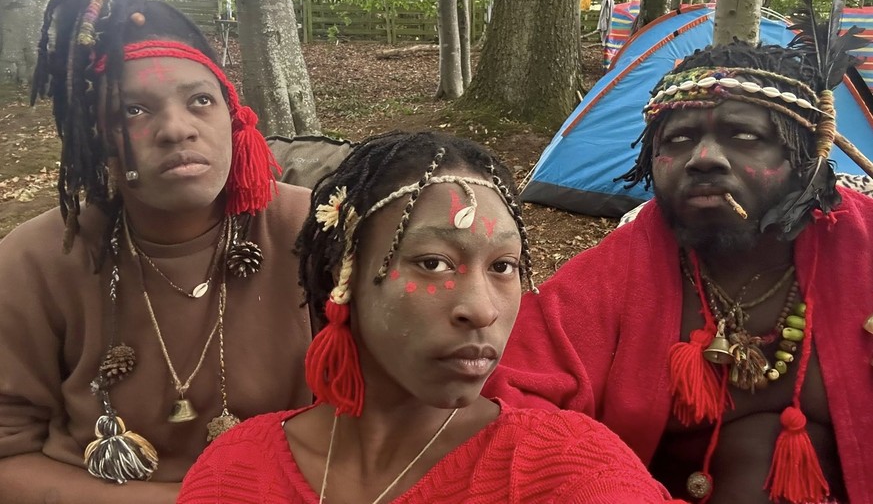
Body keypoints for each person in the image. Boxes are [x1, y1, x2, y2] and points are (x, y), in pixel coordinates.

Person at [178, 131, 683, 503]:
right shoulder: (235, 472)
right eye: (434, 263)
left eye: (503, 267)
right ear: (343, 273)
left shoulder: (568, 472)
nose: (481, 309)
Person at [485, 38, 873, 504]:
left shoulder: (863, 244)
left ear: (805, 157)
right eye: (678, 140)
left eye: (744, 135)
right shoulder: (617, 271)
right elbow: (512, 395)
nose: (704, 157)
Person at [0, 0, 313, 503]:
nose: (176, 129)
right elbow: (8, 457)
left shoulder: (314, 232)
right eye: (134, 110)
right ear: (98, 136)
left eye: (200, 101)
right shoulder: (33, 261)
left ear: (235, 116)